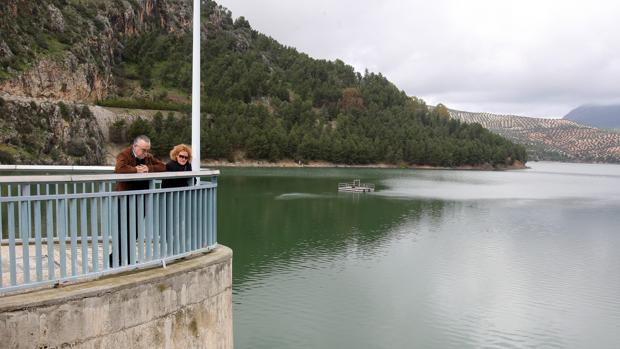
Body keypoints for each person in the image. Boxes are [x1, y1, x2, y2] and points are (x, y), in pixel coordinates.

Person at [110, 135, 165, 267]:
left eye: (147, 150)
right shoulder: (124, 154)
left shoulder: (147, 157)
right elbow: (119, 169)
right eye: (143, 150)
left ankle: (127, 258)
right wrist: (135, 170)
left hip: (141, 199)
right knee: (122, 228)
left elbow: (163, 167)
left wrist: (148, 169)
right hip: (124, 198)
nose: (146, 153)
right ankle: (115, 258)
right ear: (135, 146)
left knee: (133, 230)